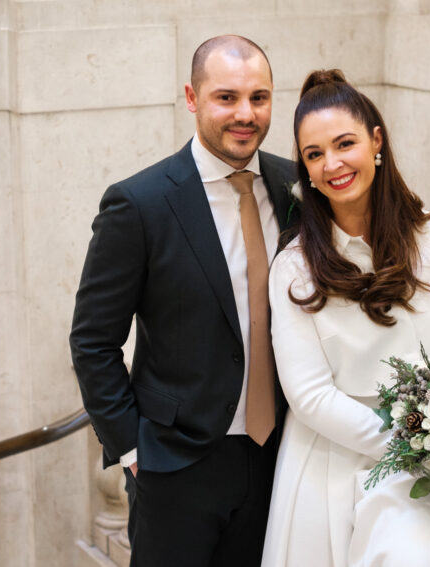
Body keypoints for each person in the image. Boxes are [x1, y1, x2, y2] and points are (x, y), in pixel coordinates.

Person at [70, 35, 298, 567]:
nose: (246, 114)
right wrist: (131, 449)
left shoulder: (297, 187)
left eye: (259, 98)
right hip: (175, 465)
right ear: (192, 98)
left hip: (280, 458)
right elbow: (93, 339)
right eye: (227, 97)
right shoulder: (139, 203)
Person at [261, 69, 430, 567]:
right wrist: (411, 443)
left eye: (344, 143)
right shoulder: (294, 269)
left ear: (376, 141)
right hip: (331, 461)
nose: (333, 164)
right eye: (314, 154)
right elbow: (309, 395)